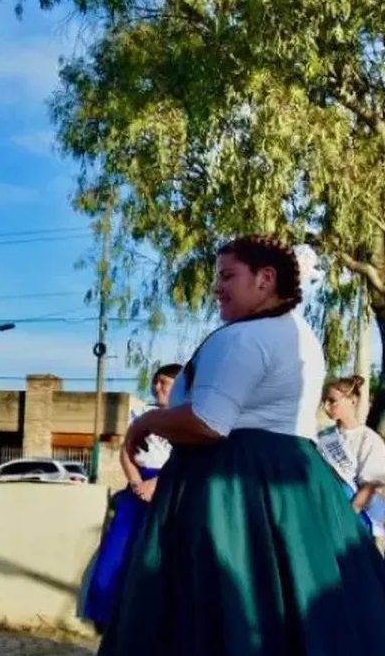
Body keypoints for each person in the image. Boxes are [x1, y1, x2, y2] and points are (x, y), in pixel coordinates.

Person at [100, 235, 385, 656]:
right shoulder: (301, 336)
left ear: (265, 279)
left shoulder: (242, 337)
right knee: (296, 602)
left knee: (220, 607)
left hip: (229, 487)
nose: (217, 287)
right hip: (297, 482)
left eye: (227, 276)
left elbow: (209, 422)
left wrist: (146, 422)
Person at [83, 363, 182, 629]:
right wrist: (137, 483)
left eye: (164, 382)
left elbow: (189, 458)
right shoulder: (141, 414)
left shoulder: (186, 417)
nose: (157, 387)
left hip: (172, 487)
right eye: (156, 382)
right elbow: (126, 451)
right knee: (119, 548)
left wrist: (158, 484)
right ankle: (106, 614)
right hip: (137, 488)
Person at [318, 375, 385, 553]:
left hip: (355, 522)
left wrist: (347, 517)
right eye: (324, 401)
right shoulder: (323, 438)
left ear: (353, 401)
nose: (326, 406)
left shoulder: (368, 439)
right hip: (325, 515)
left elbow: (371, 486)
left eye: (332, 401)